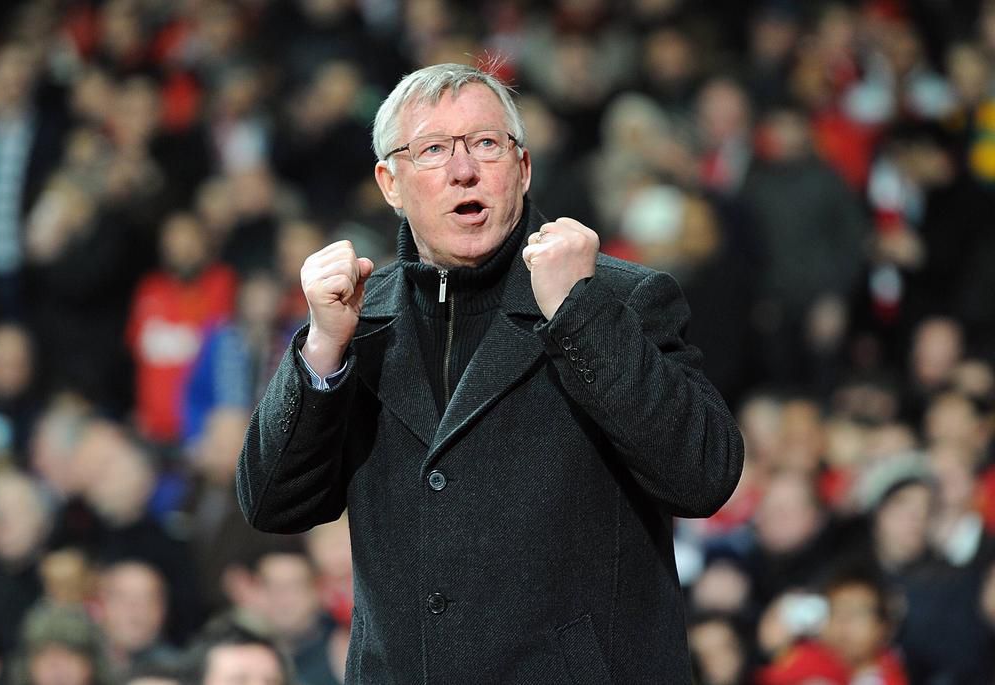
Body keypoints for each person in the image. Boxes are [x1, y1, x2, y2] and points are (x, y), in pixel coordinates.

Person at [237, 62, 744, 683]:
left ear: (523, 169)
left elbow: (703, 476)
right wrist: (322, 350)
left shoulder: (617, 297)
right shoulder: (355, 319)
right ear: (389, 183)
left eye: (484, 144)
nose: (462, 170)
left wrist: (579, 315)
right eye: (431, 150)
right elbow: (271, 503)